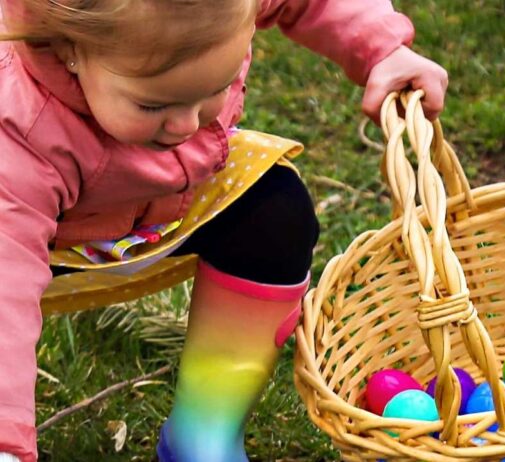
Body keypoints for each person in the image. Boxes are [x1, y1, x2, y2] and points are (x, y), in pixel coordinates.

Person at [0, 0, 448, 461]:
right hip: (38, 236)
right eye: (154, 103)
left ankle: (204, 438)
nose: (188, 124)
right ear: (69, 49)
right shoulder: (19, 127)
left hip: (167, 204)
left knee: (274, 211)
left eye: (216, 88)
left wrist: (383, 48)